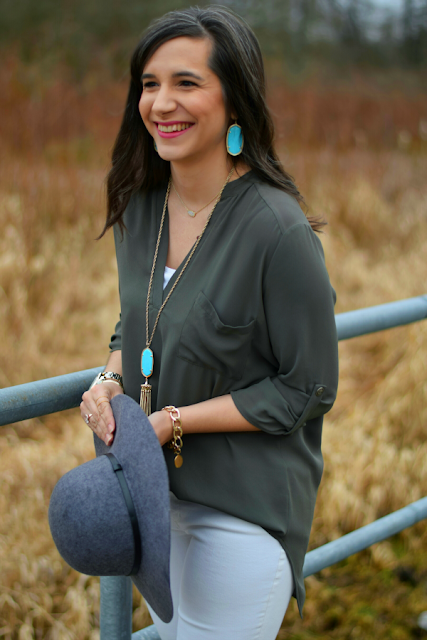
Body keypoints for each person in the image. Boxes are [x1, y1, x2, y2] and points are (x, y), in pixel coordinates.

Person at [80, 6, 339, 640]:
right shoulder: (141, 208)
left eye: (187, 83)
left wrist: (173, 422)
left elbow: (308, 387)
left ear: (235, 101)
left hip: (240, 520)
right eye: (149, 83)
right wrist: (108, 379)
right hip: (152, 505)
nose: (161, 102)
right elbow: (141, 318)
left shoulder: (277, 230)